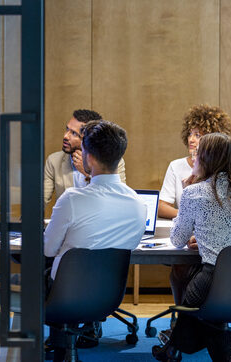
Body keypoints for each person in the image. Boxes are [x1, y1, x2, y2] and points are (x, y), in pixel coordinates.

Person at [152, 133, 231, 362]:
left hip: (215, 278)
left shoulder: (195, 192)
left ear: (205, 159)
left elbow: (177, 240)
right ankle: (174, 349)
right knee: (204, 301)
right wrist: (203, 236)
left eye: (197, 156)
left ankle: (179, 349)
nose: (194, 160)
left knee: (200, 302)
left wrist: (188, 202)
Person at [44, 120, 147, 361]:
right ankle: (64, 348)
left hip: (61, 295)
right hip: (108, 298)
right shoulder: (138, 205)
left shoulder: (72, 199)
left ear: (87, 157)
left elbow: (48, 248)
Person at [158, 105, 231, 309]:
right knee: (181, 267)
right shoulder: (176, 166)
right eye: (190, 134)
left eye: (198, 135)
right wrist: (191, 217)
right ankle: (185, 315)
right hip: (189, 235)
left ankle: (193, 320)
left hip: (216, 242)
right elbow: (162, 206)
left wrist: (195, 219)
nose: (192, 139)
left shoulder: (226, 173)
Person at [44, 109, 127, 206]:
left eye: (74, 133)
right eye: (67, 129)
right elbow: (40, 200)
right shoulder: (54, 161)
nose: (66, 136)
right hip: (68, 218)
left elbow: (118, 197)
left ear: (89, 138)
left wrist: (88, 173)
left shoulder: (114, 161)